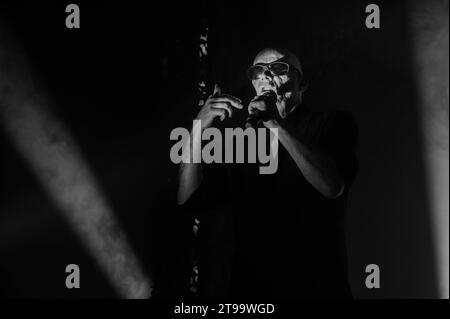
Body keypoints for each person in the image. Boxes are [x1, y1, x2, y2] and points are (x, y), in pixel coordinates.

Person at [178, 47, 358, 299]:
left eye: (279, 68)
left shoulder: (331, 124)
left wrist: (276, 124)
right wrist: (198, 127)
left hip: (316, 287)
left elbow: (331, 186)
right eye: (258, 72)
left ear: (302, 84)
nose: (268, 76)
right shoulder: (244, 143)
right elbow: (188, 199)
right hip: (252, 291)